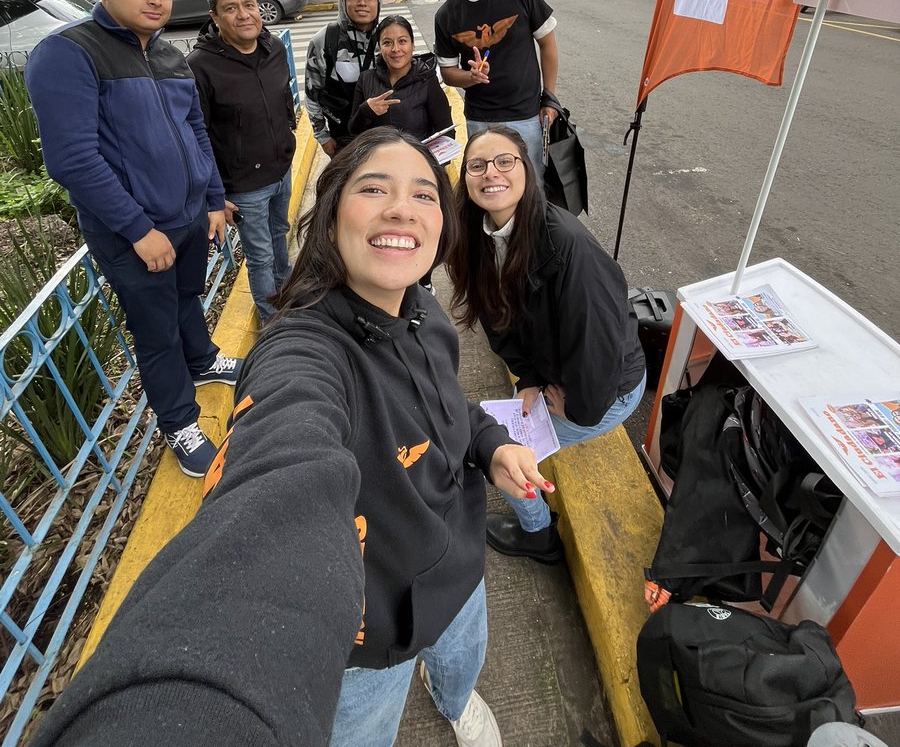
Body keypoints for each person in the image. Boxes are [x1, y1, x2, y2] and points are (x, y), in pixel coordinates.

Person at [27, 128, 552, 747]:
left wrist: (489, 445)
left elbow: (441, 406)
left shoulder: (423, 312)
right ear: (330, 219)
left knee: (463, 661)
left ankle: (455, 698)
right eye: (374, 188)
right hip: (371, 639)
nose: (402, 208)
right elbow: (277, 491)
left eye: (424, 195)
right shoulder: (302, 351)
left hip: (459, 567)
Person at [25, 0, 240, 479]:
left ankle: (204, 360)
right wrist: (138, 229)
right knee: (156, 330)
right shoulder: (69, 53)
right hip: (133, 233)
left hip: (190, 217)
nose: (155, 0)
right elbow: (72, 160)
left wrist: (212, 199)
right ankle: (180, 420)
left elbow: (195, 130)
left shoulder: (169, 55)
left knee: (188, 297)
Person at [447, 126, 647, 566]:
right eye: (476, 165)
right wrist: (531, 377)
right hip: (556, 372)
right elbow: (497, 319)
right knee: (486, 436)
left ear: (527, 170)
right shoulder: (479, 234)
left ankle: (537, 534)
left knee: (492, 450)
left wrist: (579, 408)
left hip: (606, 390)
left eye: (505, 161)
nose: (490, 173)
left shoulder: (566, 245)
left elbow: (599, 344)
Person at [187, 0, 297, 323]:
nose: (244, 14)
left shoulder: (274, 48)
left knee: (281, 234)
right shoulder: (200, 66)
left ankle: (287, 294)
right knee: (260, 254)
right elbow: (195, 134)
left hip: (281, 169)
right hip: (244, 184)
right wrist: (214, 193)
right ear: (215, 17)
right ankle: (271, 321)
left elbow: (282, 99)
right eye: (230, 8)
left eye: (248, 5)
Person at [434, 0, 560, 176]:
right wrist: (470, 77)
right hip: (480, 118)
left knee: (529, 188)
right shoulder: (446, 15)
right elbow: (448, 72)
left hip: (525, 114)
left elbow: (547, 44)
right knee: (487, 187)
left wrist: (550, 97)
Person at [305, 0, 381, 156]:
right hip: (343, 142)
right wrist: (323, 137)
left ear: (378, 2)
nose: (362, 3)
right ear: (343, 1)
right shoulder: (324, 40)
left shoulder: (387, 37)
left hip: (383, 139)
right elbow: (312, 93)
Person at [347, 14, 452, 143]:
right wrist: (366, 111)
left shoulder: (427, 80)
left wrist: (429, 160)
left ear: (412, 45)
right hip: (379, 160)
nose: (395, 49)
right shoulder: (366, 79)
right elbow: (353, 131)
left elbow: (447, 133)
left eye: (402, 41)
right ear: (379, 47)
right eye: (387, 43)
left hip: (415, 160)